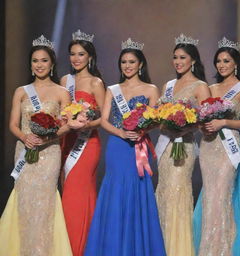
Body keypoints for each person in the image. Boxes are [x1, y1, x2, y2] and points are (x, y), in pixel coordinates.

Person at [84, 38, 166, 256]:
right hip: (118, 147)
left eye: (131, 62)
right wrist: (120, 132)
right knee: (116, 190)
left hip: (138, 148)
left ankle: (136, 248)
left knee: (137, 190)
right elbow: (103, 120)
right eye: (123, 62)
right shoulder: (112, 89)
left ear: (140, 64)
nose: (127, 66)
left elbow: (157, 119)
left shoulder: (151, 89)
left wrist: (143, 130)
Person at [0, 35, 72, 256]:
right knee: (24, 199)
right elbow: (13, 124)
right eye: (35, 61)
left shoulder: (62, 93)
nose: (39, 65)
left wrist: (47, 138)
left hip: (49, 154)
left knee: (44, 201)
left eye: (43, 60)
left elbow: (67, 125)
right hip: (25, 150)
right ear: (30, 65)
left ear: (51, 64)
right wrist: (25, 137)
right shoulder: (21, 91)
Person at [193, 37, 240, 256]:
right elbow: (203, 117)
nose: (221, 65)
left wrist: (224, 122)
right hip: (209, 146)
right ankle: (208, 247)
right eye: (218, 61)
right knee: (210, 195)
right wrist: (204, 126)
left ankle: (222, 249)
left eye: (226, 60)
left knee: (221, 196)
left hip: (228, 148)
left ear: (235, 63)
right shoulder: (210, 88)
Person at [155, 34, 210, 256]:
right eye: (175, 57)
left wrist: (185, 127)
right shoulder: (168, 85)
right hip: (166, 145)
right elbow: (159, 119)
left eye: (183, 57)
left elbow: (205, 119)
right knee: (163, 190)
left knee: (178, 191)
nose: (178, 62)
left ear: (193, 60)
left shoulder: (200, 86)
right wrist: (166, 120)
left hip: (184, 147)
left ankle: (178, 249)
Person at [61, 29, 105, 256]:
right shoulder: (65, 81)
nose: (76, 58)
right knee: (67, 192)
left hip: (87, 145)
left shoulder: (96, 82)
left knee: (78, 194)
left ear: (89, 56)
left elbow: (103, 118)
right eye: (72, 54)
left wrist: (86, 124)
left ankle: (82, 248)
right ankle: (66, 246)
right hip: (67, 142)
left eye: (80, 54)